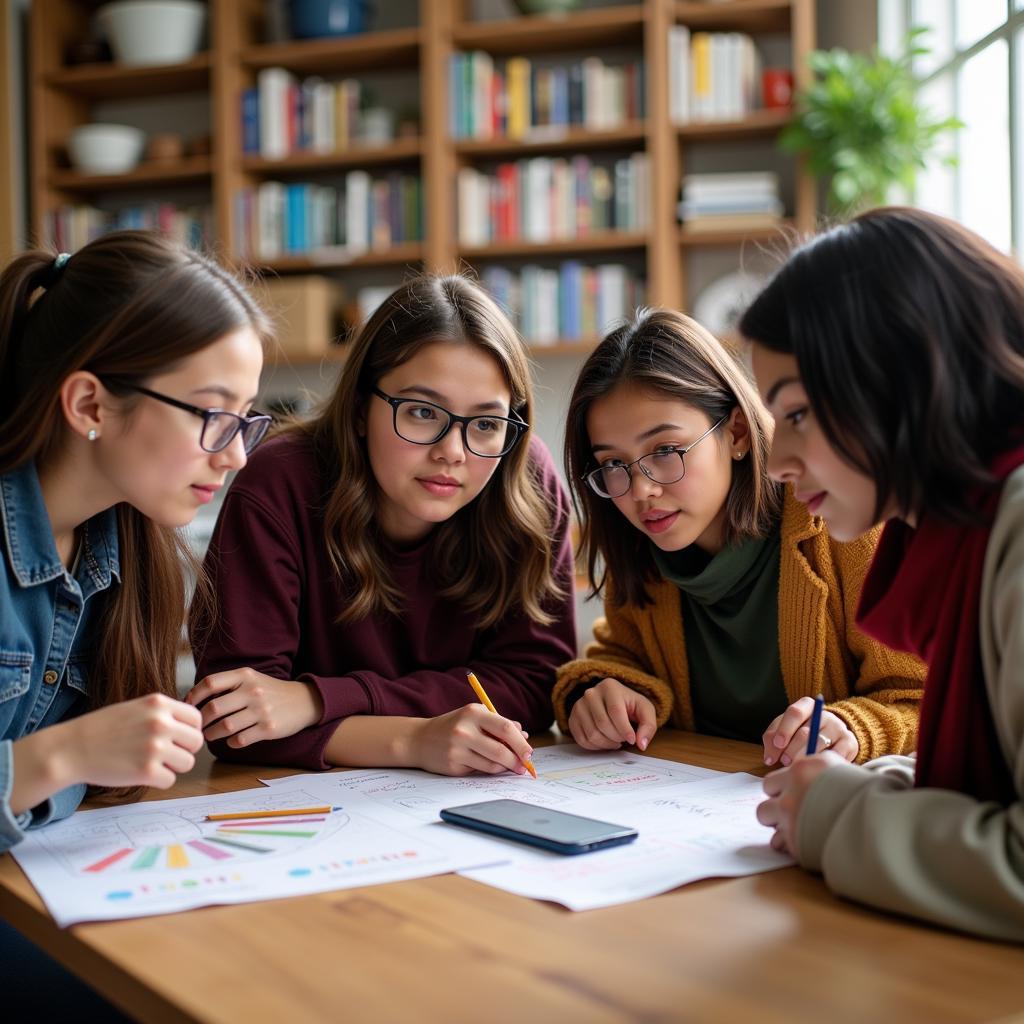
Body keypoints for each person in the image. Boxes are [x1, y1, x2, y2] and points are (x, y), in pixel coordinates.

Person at [0, 230, 271, 1014]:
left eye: (246, 421)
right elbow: (68, 762)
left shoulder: (127, 548)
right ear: (89, 403)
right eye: (213, 416)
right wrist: (63, 756)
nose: (236, 457)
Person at [744, 206, 1024, 942]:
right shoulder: (969, 525)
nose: (777, 463)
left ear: (905, 379)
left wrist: (843, 817)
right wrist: (864, 793)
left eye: (798, 413)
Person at [189, 274, 575, 776]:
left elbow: (536, 683)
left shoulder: (526, 480)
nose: (452, 452)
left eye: (486, 423)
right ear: (358, 410)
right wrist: (414, 740)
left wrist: (317, 700)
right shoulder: (279, 483)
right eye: (420, 412)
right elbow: (235, 717)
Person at [554, 308, 924, 767]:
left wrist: (854, 728)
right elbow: (623, 655)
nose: (641, 490)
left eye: (666, 451)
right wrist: (601, 693)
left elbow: (925, 697)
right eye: (613, 464)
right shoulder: (643, 548)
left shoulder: (845, 525)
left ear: (737, 433)